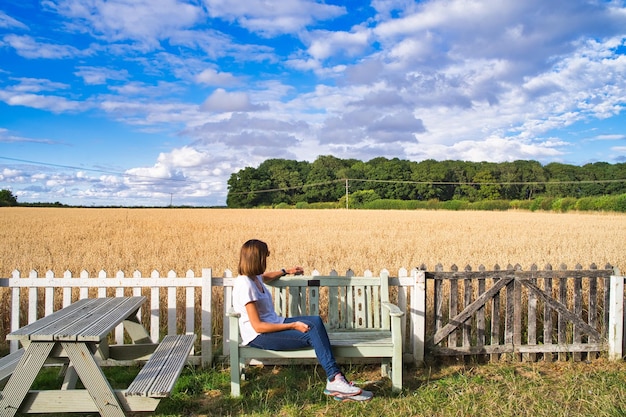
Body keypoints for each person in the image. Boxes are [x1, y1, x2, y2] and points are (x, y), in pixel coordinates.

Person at [232, 239, 367, 399]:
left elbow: (265, 277)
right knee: (311, 332)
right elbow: (258, 326)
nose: (267, 259)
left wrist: (285, 271)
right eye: (265, 256)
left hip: (274, 324)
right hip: (259, 337)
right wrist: (294, 325)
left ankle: (336, 379)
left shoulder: (254, 278)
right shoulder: (245, 285)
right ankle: (335, 378)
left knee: (315, 321)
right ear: (257, 258)